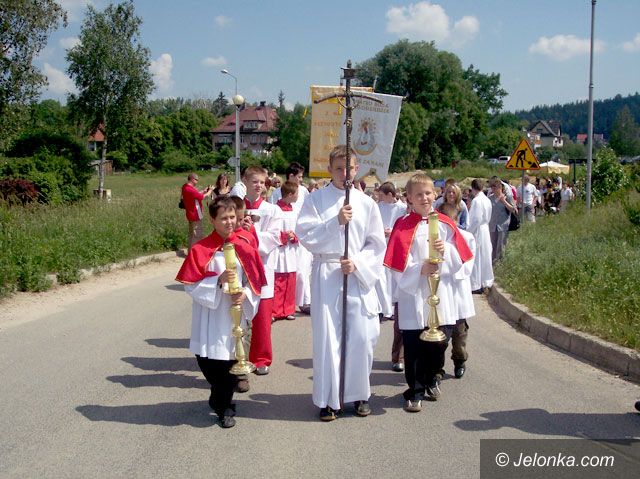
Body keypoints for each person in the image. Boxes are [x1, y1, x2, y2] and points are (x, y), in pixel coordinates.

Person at [295, 145, 386, 421]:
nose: (344, 173)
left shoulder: (367, 204)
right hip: (327, 272)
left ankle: (359, 395)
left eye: (349, 168)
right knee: (329, 339)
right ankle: (329, 400)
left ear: (357, 169)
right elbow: (305, 234)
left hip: (355, 273)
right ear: (329, 170)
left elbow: (376, 244)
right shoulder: (316, 200)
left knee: (361, 336)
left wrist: (357, 262)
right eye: (338, 168)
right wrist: (335, 222)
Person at [384, 173, 473, 413]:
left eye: (427, 193)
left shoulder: (445, 223)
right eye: (418, 195)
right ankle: (415, 391)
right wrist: (419, 269)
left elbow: (461, 259)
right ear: (409, 198)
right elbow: (396, 266)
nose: (424, 198)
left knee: (439, 342)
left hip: (441, 292)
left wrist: (447, 251)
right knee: (414, 346)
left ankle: (434, 377)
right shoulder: (402, 225)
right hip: (414, 294)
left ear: (435, 195)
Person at [175, 197, 267, 428]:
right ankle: (220, 396)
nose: (229, 222)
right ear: (213, 220)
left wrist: (245, 293)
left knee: (229, 364)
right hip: (209, 316)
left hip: (233, 316)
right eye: (224, 218)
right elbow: (190, 285)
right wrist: (217, 280)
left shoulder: (245, 247)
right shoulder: (201, 249)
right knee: (207, 363)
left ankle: (223, 406)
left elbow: (255, 283)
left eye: (232, 217)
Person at [235, 166, 282, 376]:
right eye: (254, 181)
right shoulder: (234, 207)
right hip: (239, 267)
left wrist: (252, 231)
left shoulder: (272, 210)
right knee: (238, 316)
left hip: (262, 267)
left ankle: (261, 358)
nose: (259, 186)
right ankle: (238, 356)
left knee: (262, 318)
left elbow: (273, 238)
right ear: (244, 181)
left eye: (262, 182)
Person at [437, 202, 476, 380]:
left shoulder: (466, 238)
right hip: (442, 292)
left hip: (458, 292)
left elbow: (467, 266)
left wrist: (450, 268)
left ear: (455, 220)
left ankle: (460, 360)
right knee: (441, 337)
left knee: (459, 334)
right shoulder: (435, 240)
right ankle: (437, 369)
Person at [376, 181, 407, 373]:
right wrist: (381, 231)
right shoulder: (378, 207)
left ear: (390, 194)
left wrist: (392, 232)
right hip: (381, 245)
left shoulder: (401, 208)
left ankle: (391, 306)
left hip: (395, 245)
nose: (379, 198)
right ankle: (384, 307)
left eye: (382, 195)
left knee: (393, 279)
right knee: (382, 279)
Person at [272, 181, 299, 321]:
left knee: (291, 280)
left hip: (291, 250)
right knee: (279, 281)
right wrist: (283, 236)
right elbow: (272, 230)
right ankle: (275, 311)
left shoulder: (295, 210)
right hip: (280, 250)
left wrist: (295, 236)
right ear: (289, 194)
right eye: (296, 194)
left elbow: (300, 229)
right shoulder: (275, 210)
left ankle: (288, 309)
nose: (298, 196)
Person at [467, 179, 494, 293]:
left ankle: (476, 284)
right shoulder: (487, 200)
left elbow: (476, 219)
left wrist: (469, 231)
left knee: (477, 256)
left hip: (478, 230)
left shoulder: (477, 201)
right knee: (485, 255)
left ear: (473, 188)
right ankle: (485, 281)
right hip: (485, 228)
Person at [181, 173, 214, 250]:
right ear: (192, 179)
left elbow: (195, 195)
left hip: (190, 214)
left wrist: (203, 191)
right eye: (196, 180)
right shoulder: (190, 189)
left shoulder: (185, 187)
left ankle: (190, 252)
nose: (197, 181)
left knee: (191, 235)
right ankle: (194, 252)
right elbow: (203, 197)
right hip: (195, 215)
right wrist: (210, 190)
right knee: (197, 235)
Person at [488, 177, 516, 263]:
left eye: (494, 186)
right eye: (491, 186)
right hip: (492, 225)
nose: (492, 188)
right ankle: (492, 263)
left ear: (500, 187)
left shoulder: (507, 197)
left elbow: (514, 210)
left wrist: (504, 201)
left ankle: (500, 264)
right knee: (492, 246)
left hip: (503, 225)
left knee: (500, 246)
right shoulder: (490, 198)